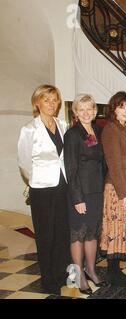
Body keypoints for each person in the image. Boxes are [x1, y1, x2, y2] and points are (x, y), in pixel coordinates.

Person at [18, 84, 71, 295]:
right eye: (46, 100)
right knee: (45, 234)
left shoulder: (62, 124)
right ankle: (48, 278)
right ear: (37, 103)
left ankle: (61, 273)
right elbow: (24, 162)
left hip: (62, 186)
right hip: (41, 189)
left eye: (54, 99)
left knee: (61, 233)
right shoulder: (29, 129)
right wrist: (36, 181)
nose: (51, 104)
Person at [64, 94, 107, 295]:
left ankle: (91, 269)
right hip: (80, 193)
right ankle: (80, 274)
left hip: (96, 191)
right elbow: (70, 169)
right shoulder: (73, 134)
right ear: (75, 113)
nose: (86, 113)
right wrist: (77, 198)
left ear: (95, 110)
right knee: (78, 235)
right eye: (81, 109)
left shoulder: (97, 130)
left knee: (92, 233)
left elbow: (100, 162)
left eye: (89, 108)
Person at [100, 91, 126, 286]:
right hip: (117, 187)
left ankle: (118, 271)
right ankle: (113, 273)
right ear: (114, 108)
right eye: (122, 106)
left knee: (125, 227)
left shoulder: (125, 127)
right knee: (115, 226)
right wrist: (124, 194)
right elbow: (114, 164)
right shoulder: (111, 129)